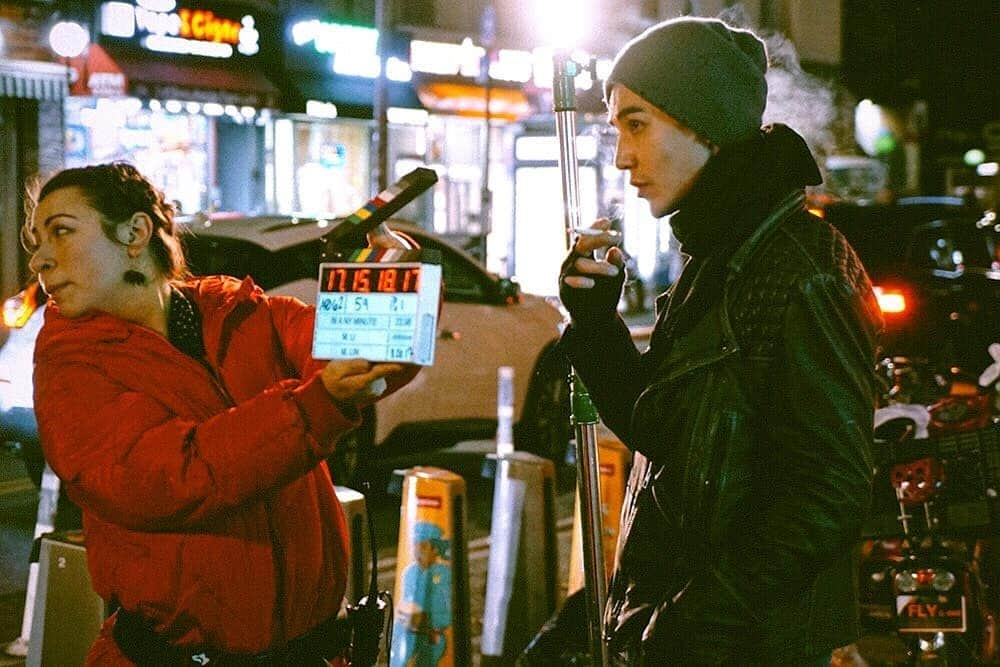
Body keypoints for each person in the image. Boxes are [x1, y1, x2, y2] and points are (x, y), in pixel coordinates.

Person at [555, 17, 884, 666]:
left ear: (702, 126)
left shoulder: (799, 265)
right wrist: (596, 326)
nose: (623, 156)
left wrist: (700, 618)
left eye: (637, 124)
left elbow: (831, 489)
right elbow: (666, 429)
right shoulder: (719, 255)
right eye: (616, 128)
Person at [22, 162, 422, 665]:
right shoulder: (69, 364)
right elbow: (176, 475)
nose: (39, 260)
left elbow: (366, 357)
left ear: (136, 233)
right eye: (36, 239)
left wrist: (386, 276)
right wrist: (320, 403)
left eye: (61, 232)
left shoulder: (235, 311)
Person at [390, 521, 453, 667]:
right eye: (415, 546)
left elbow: (450, 613)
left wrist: (429, 621)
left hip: (432, 635)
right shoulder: (409, 572)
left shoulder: (444, 574)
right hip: (408, 630)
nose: (418, 551)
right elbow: (404, 604)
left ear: (435, 549)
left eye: (423, 546)